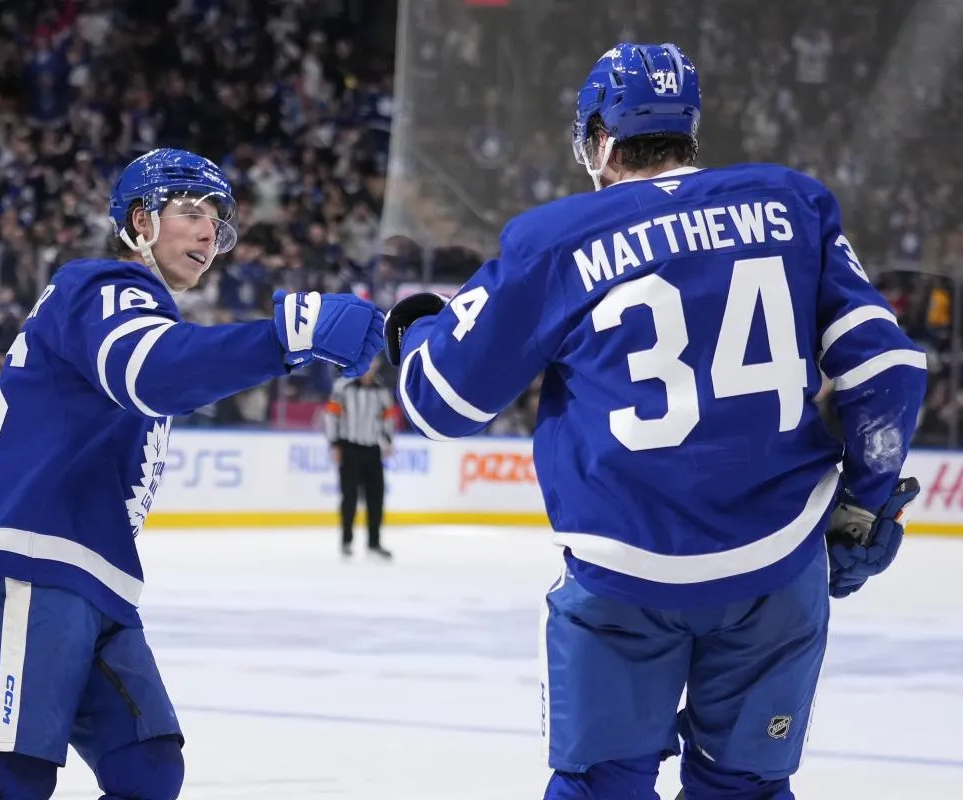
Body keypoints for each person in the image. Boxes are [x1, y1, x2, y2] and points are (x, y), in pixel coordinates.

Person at [383, 43, 927, 800]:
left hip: (624, 572)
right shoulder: (791, 203)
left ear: (599, 138)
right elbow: (887, 371)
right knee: (747, 789)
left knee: (599, 786)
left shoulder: (555, 238)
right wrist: (865, 505)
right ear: (688, 128)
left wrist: (412, 330)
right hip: (774, 568)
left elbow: (439, 406)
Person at [0, 147, 384, 800]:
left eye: (217, 222)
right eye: (190, 211)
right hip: (38, 554)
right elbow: (154, 373)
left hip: (84, 568)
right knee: (10, 780)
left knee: (147, 765)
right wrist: (287, 335)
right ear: (139, 220)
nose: (207, 233)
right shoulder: (105, 287)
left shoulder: (132, 308)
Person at [324, 355, 397, 559]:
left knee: (376, 498)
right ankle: (346, 541)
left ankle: (374, 543)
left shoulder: (381, 390)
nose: (370, 367)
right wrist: (335, 443)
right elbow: (331, 416)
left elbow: (388, 418)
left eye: (373, 363)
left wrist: (388, 442)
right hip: (349, 447)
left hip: (372, 448)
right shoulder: (343, 387)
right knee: (350, 497)